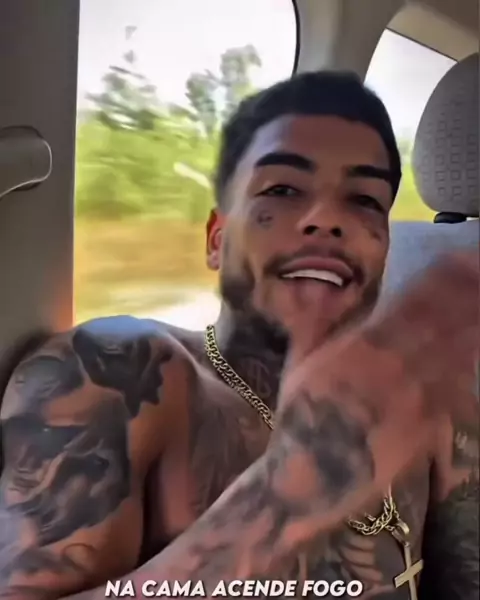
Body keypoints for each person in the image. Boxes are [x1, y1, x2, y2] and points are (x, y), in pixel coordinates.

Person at [0, 71, 477, 600]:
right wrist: (283, 498)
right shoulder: (119, 376)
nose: (326, 219)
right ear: (217, 239)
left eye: (364, 199)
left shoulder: (418, 407)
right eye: (283, 190)